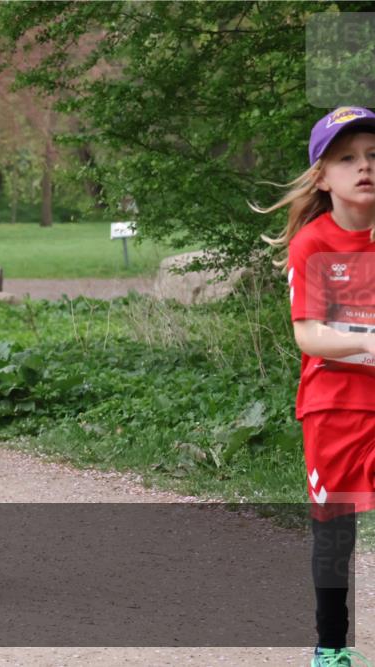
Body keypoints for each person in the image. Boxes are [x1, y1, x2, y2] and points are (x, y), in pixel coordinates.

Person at [257, 106, 375, 667]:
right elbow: (309, 335)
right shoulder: (313, 243)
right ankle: (331, 648)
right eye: (347, 158)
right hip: (335, 407)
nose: (364, 167)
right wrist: (370, 342)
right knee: (335, 534)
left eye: (373, 155)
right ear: (322, 177)